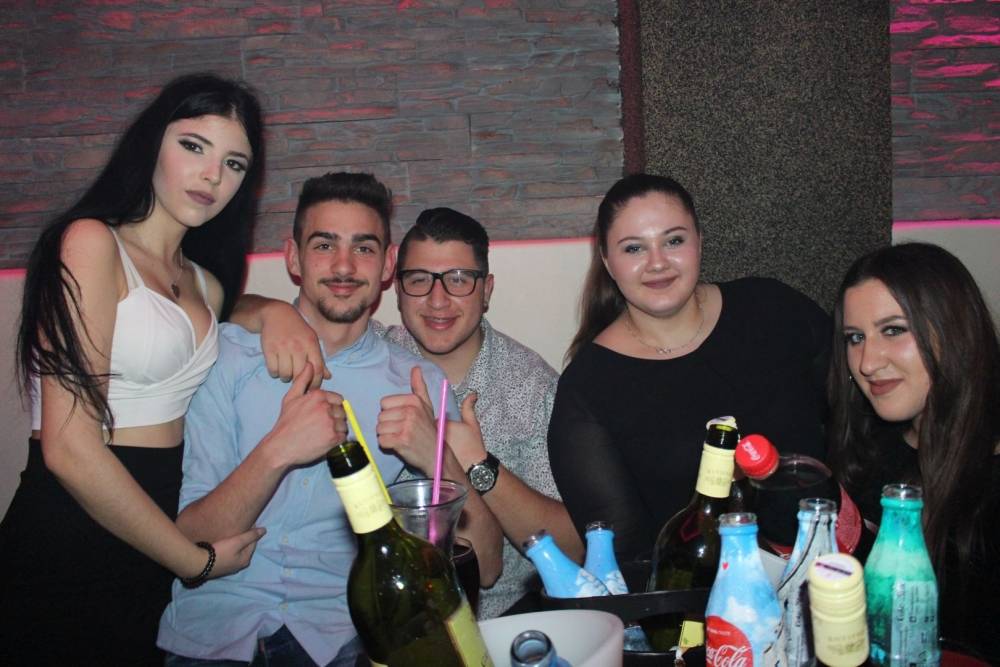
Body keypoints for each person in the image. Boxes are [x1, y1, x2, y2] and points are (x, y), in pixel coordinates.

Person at [0, 72, 327, 665]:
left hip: (155, 516)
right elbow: (69, 449)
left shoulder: (204, 279)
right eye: (194, 146)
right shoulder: (91, 242)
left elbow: (211, 311)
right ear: (152, 141)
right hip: (79, 515)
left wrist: (274, 310)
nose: (212, 176)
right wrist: (192, 560)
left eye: (234, 164)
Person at [158, 172, 503, 666]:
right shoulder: (226, 357)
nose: (343, 266)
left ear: (387, 265)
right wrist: (277, 451)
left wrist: (439, 459)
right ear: (293, 258)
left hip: (339, 641)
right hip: (214, 634)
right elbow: (190, 540)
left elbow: (487, 566)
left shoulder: (417, 384)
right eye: (324, 245)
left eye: (363, 248)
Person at [548, 173, 831, 560]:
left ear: (699, 240)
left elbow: (854, 421)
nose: (657, 263)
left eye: (674, 241)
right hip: (702, 593)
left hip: (833, 566)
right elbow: (624, 552)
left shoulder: (773, 308)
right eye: (634, 248)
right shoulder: (588, 388)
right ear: (607, 262)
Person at [380, 206, 582, 618]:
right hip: (386, 612)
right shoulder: (372, 356)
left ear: (486, 290)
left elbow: (572, 548)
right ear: (398, 290)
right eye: (419, 280)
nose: (438, 300)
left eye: (458, 279)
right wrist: (264, 312)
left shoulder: (532, 386)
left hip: (499, 617)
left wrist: (477, 464)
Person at [828, 242, 999, 663]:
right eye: (855, 338)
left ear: (953, 330)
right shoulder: (869, 455)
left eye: (893, 330)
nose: (867, 362)